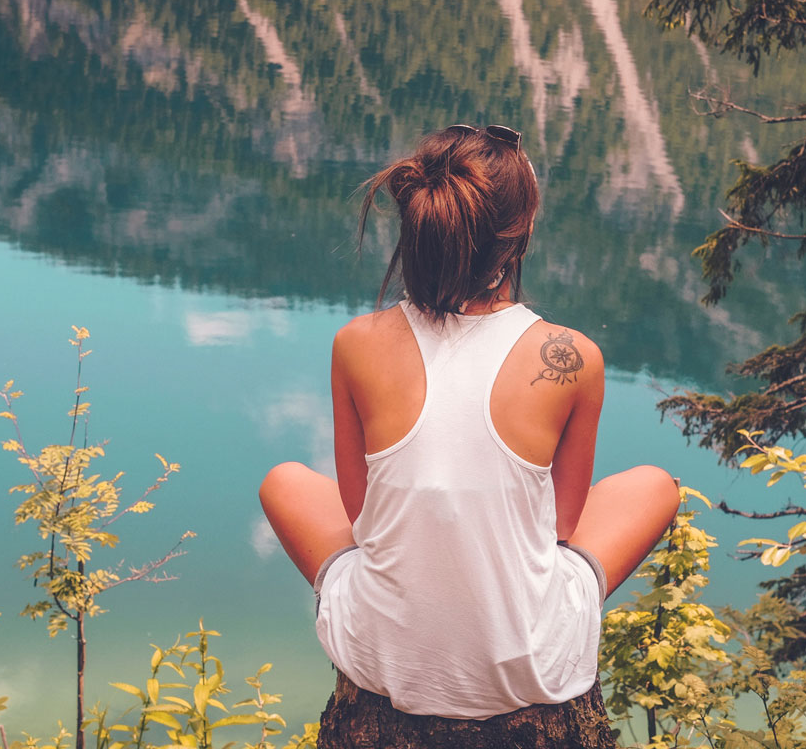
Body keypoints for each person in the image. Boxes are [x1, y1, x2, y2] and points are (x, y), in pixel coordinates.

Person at [259, 124, 679, 720]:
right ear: (517, 238)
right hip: (530, 662)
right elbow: (561, 528)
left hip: (382, 658)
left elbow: (359, 514)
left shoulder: (356, 342)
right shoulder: (573, 356)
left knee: (284, 481)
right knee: (655, 486)